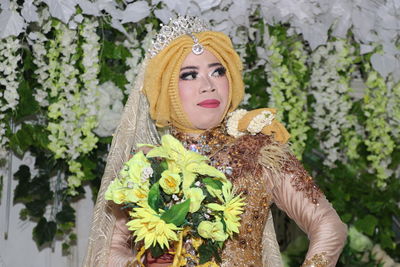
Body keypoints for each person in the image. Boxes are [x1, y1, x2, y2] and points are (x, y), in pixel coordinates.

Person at [83, 16, 347, 267]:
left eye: (217, 71)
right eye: (189, 75)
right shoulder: (147, 164)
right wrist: (139, 263)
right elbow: (110, 250)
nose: (208, 85)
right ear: (166, 88)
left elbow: (328, 225)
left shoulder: (260, 152)